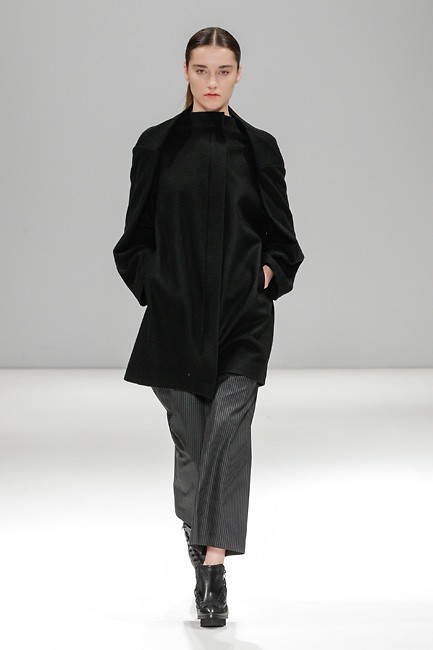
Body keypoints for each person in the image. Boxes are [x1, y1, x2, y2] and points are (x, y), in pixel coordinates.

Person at [113, 26, 305, 627]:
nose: (213, 82)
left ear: (239, 74)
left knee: (228, 429)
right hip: (176, 322)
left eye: (224, 71)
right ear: (186, 72)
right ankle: (200, 543)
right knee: (194, 445)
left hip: (242, 317)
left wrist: (267, 274)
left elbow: (284, 241)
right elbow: (133, 241)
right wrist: (158, 287)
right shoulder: (156, 146)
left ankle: (214, 569)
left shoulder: (260, 149)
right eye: (202, 70)